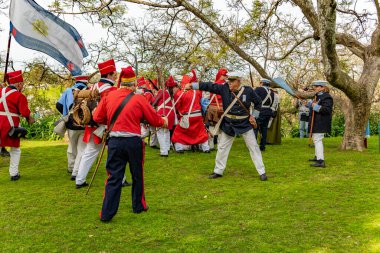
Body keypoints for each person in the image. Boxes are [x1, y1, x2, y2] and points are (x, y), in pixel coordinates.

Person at [93, 66, 168, 222]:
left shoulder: (109, 97)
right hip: (133, 142)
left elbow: (97, 118)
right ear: (134, 83)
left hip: (114, 141)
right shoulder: (139, 99)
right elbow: (154, 120)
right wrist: (163, 121)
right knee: (137, 174)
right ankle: (138, 206)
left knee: (113, 177)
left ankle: (107, 213)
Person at [186, 71, 268, 181]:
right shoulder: (224, 88)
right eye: (228, 80)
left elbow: (258, 103)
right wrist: (193, 85)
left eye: (232, 81)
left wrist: (254, 116)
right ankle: (218, 171)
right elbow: (209, 86)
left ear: (238, 81)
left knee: (254, 147)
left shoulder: (248, 91)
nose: (229, 83)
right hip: (228, 123)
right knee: (222, 148)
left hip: (244, 124)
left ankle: (262, 172)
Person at [75, 59, 118, 188]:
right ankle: (119, 180)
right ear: (109, 75)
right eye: (114, 73)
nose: (116, 75)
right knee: (115, 153)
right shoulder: (111, 89)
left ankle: (80, 180)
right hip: (105, 126)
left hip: (92, 124)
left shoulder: (93, 87)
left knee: (89, 153)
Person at [0, 70, 34, 180]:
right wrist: (30, 118)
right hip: (9, 125)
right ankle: (14, 174)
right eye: (22, 85)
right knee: (15, 149)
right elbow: (24, 112)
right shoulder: (19, 96)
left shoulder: (0, 91)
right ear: (19, 84)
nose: (23, 87)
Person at [56, 75, 88, 175]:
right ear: (86, 82)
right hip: (84, 123)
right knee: (82, 148)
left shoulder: (68, 91)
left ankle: (71, 167)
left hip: (70, 122)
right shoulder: (89, 91)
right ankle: (78, 169)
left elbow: (59, 105)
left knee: (72, 146)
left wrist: (66, 113)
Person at [171, 71, 210, 153]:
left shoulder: (180, 93)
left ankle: (179, 148)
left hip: (187, 116)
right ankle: (206, 148)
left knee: (178, 132)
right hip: (198, 115)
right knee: (201, 132)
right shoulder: (197, 92)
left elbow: (177, 105)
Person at [308, 80, 333, 168]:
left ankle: (321, 161)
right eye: (315, 86)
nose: (315, 87)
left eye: (317, 86)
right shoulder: (317, 96)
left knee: (318, 140)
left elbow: (327, 110)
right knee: (316, 139)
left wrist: (316, 106)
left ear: (323, 87)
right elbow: (314, 107)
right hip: (316, 122)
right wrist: (310, 105)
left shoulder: (327, 97)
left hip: (321, 122)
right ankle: (317, 157)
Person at [204, 68, 228, 150]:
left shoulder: (213, 85)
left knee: (212, 127)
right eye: (224, 75)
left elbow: (206, 97)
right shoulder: (227, 86)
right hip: (222, 108)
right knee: (221, 128)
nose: (225, 77)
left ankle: (211, 145)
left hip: (212, 108)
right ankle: (219, 146)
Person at [153, 76, 176, 157]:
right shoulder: (172, 94)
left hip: (162, 114)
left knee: (160, 132)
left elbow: (154, 102)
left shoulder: (162, 92)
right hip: (170, 114)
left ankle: (164, 152)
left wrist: (156, 94)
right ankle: (167, 148)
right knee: (166, 132)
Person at [253, 78, 275, 151]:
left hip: (258, 110)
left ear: (262, 83)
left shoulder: (258, 89)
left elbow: (253, 99)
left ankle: (253, 147)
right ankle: (262, 146)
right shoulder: (272, 92)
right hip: (268, 111)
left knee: (255, 128)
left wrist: (253, 91)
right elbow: (272, 103)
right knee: (264, 129)